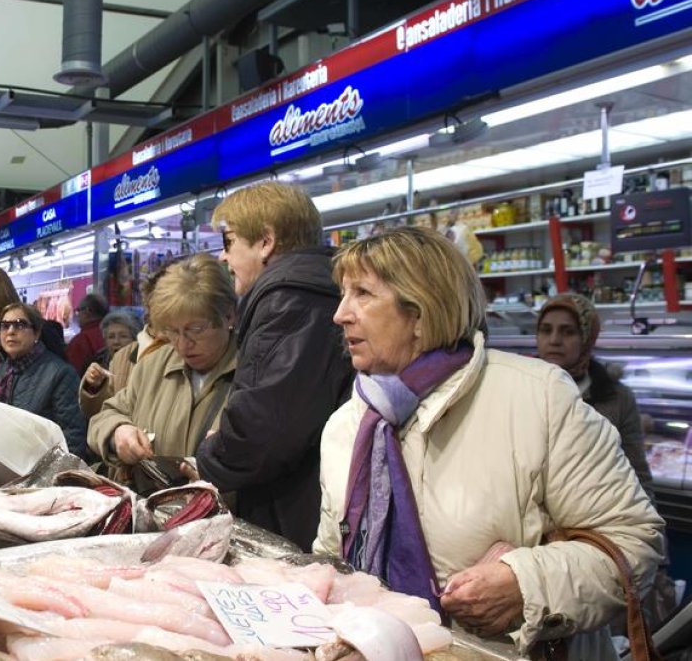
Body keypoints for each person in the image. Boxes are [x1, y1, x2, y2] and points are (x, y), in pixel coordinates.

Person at [315, 226, 662, 658]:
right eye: (343, 294)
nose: (340, 314)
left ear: (420, 312)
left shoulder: (538, 399)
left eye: (363, 294)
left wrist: (525, 584)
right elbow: (334, 556)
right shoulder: (347, 425)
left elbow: (635, 542)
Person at [193, 182, 353, 551]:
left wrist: (209, 456)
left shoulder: (290, 300)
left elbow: (265, 431)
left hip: (293, 518)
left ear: (265, 241)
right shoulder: (308, 291)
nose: (223, 257)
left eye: (229, 241)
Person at [88, 254, 236, 474]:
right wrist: (117, 432)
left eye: (196, 329)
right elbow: (105, 415)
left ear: (229, 317)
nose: (183, 344)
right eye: (173, 331)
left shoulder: (255, 372)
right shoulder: (152, 365)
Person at [535, 293, 652, 489]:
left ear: (587, 339)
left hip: (595, 513)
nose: (554, 340)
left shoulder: (617, 398)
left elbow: (636, 476)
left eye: (568, 332)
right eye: (546, 330)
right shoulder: (519, 388)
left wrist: (647, 518)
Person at [0, 303, 86, 458]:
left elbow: (73, 438)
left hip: (41, 471)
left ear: (36, 333)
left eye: (20, 325)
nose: (10, 331)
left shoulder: (60, 373)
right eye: (5, 326)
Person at [78, 309, 143, 419]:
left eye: (123, 336)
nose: (116, 341)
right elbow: (89, 411)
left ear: (135, 339)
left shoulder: (143, 364)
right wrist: (93, 387)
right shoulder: (96, 364)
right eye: (111, 337)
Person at [67, 293, 108, 376]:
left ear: (87, 311)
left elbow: (73, 375)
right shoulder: (112, 332)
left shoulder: (81, 340)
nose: (77, 315)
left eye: (78, 310)